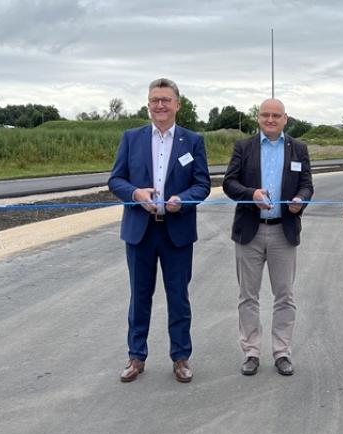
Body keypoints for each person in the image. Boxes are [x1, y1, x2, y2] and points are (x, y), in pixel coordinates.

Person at [108, 78, 210, 383]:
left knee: (178, 297)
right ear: (148, 104)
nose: (160, 105)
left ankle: (181, 357)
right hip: (140, 232)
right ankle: (136, 356)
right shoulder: (131, 138)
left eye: (166, 99)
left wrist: (185, 200)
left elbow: (202, 184)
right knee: (139, 297)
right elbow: (116, 180)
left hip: (176, 232)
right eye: (155, 100)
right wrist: (136, 194)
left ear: (178, 104)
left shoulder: (192, 141)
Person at [222, 98, 313, 377]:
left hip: (283, 231)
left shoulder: (298, 148)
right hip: (250, 230)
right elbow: (229, 183)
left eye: (276, 115)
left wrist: (300, 199)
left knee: (284, 296)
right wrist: (252, 195)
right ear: (258, 118)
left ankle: (282, 352)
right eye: (265, 115)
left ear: (286, 118)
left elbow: (307, 185)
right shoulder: (244, 147)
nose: (270, 120)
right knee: (248, 296)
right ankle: (251, 352)